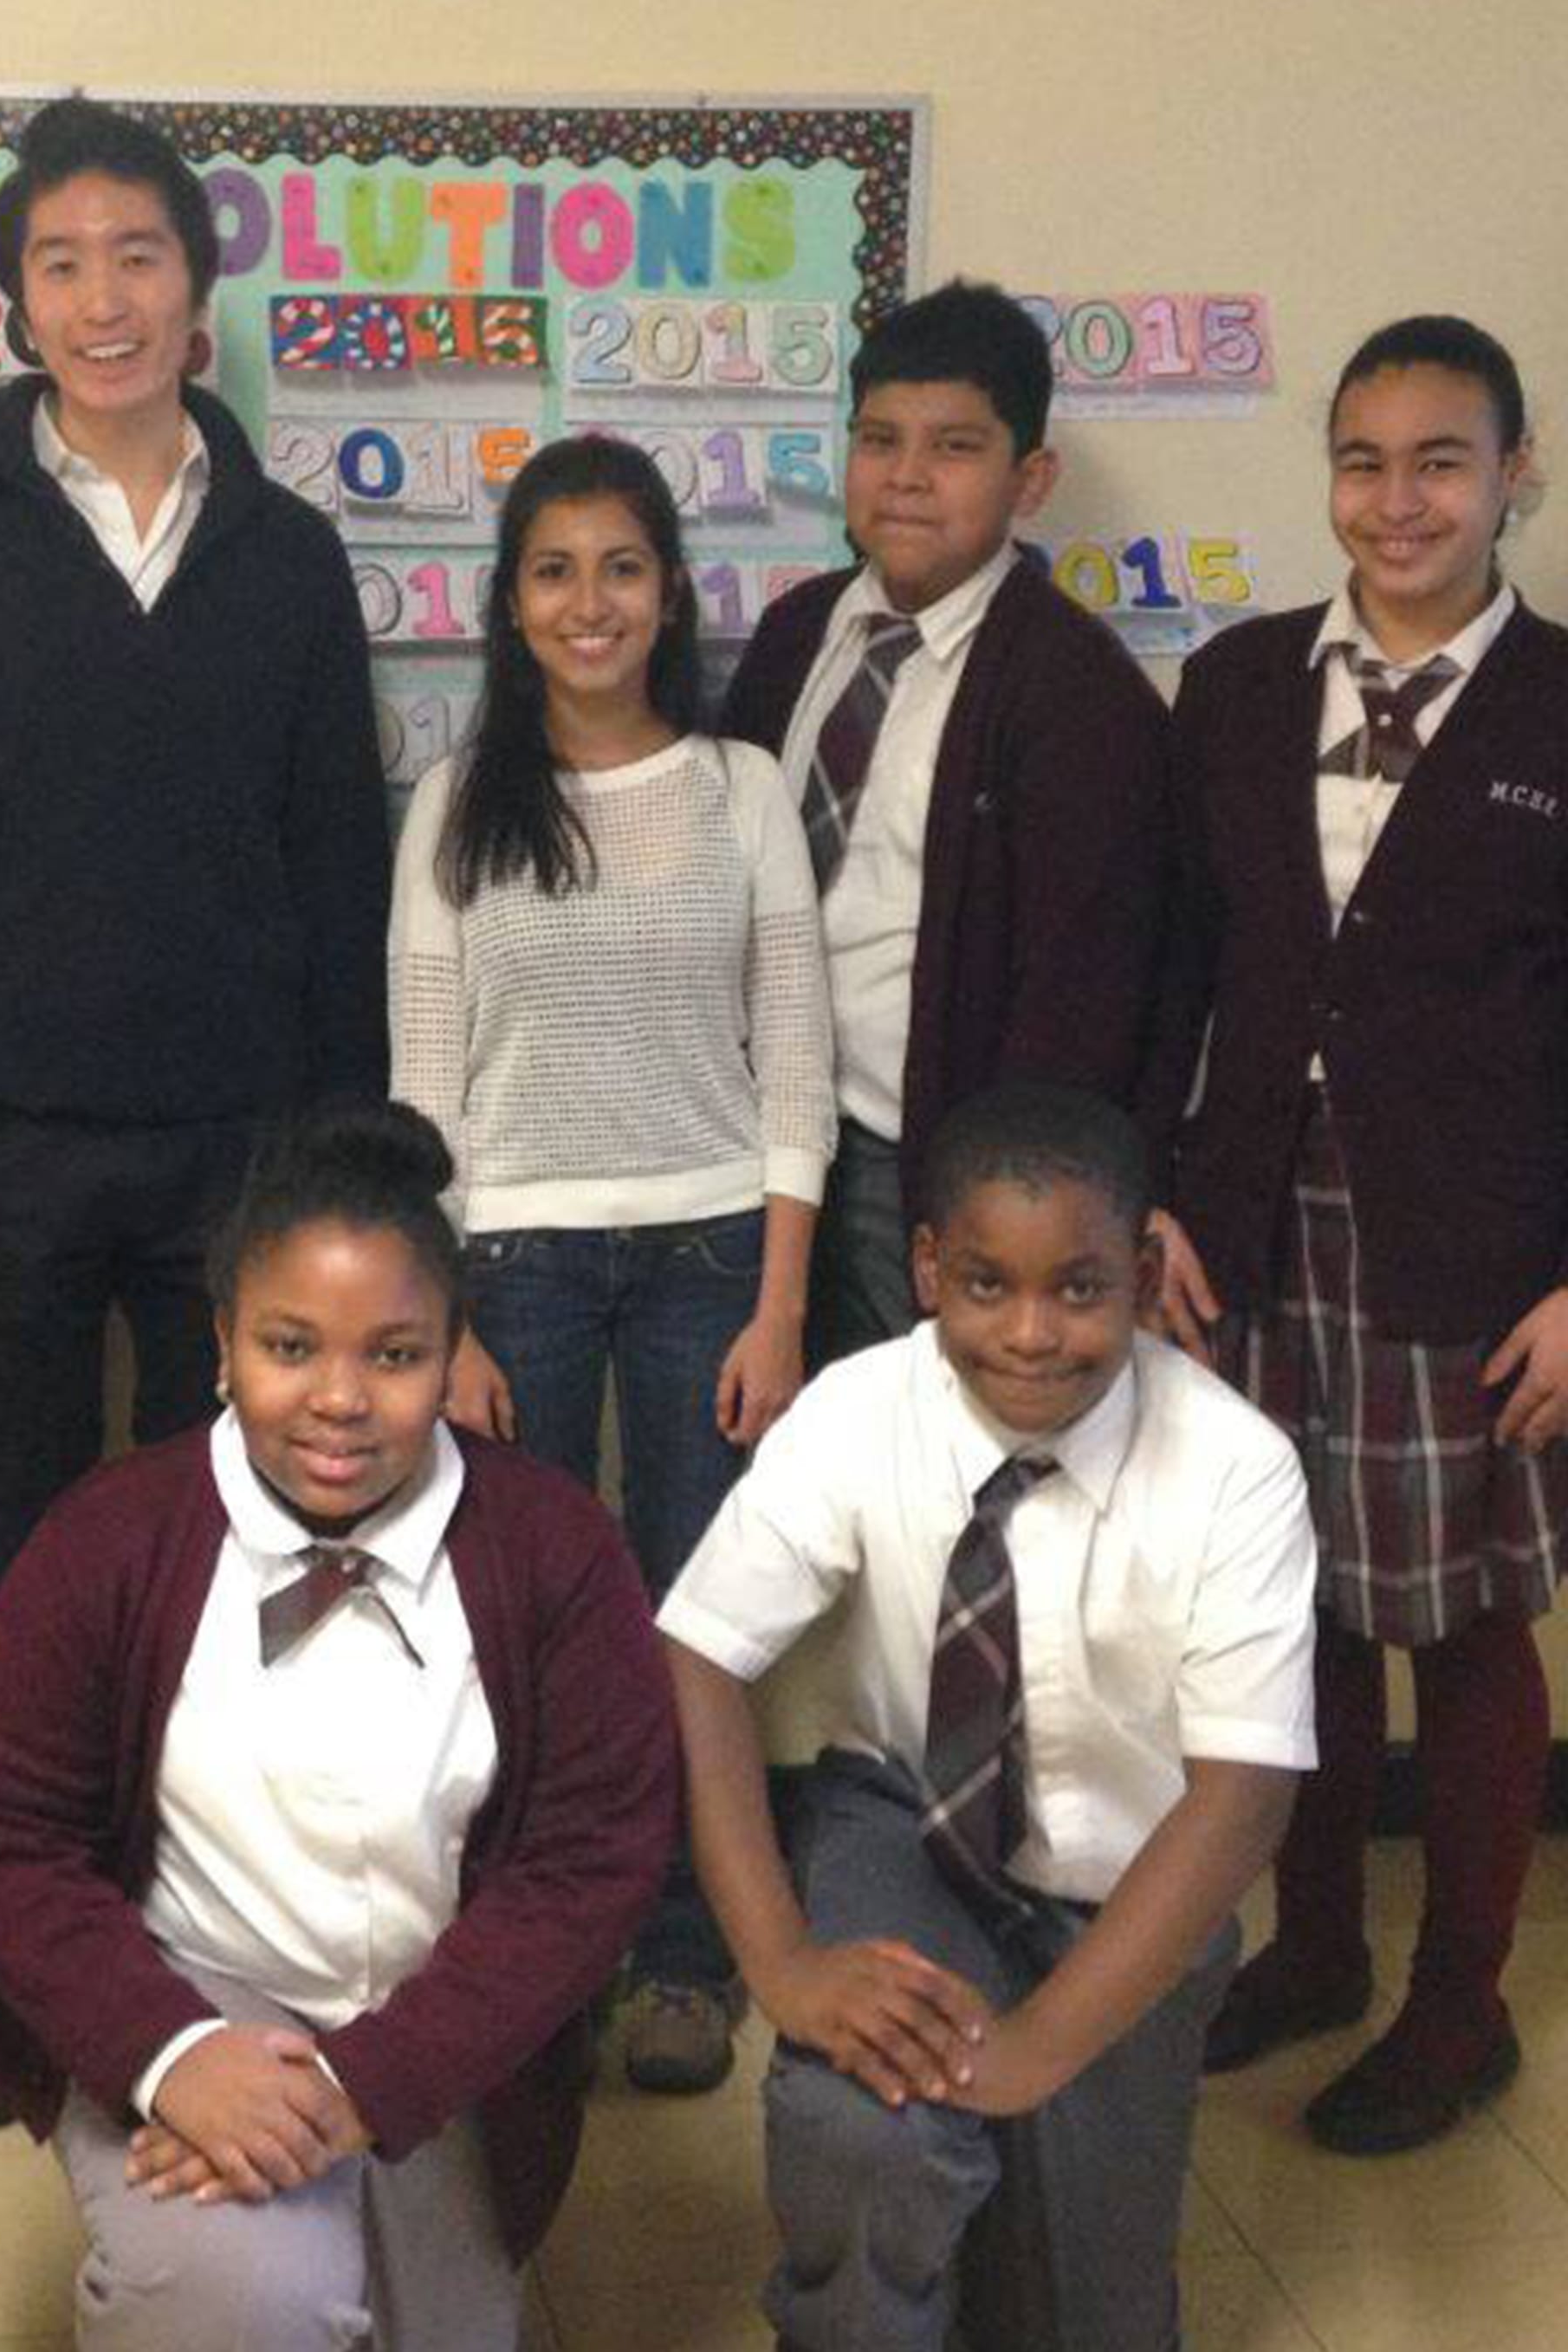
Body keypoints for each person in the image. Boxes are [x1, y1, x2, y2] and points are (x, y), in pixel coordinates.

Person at [0, 95, 390, 2121]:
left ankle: (201, 1938)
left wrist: (347, 1178)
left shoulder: (287, 552)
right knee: (33, 1560)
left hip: (245, 1151)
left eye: (135, 255)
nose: (100, 296)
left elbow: (342, 872)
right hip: (9, 1151)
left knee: (246, 1540)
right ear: (12, 301)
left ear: (200, 284)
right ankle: (23, 1957)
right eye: (56, 262)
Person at [0, 1102, 677, 2350]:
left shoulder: (555, 1546)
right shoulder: (109, 1537)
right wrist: (169, 2055)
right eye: (291, 1344)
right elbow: (5, 1832)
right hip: (192, 1985)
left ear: (453, 1356)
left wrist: (364, 2085)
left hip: (447, 2014)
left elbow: (592, 1858)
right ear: (222, 1343)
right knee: (245, 2303)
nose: (339, 1398)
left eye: (394, 1354)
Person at [666, 1081, 1315, 2351]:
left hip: (1131, 1878)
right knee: (869, 2130)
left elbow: (1242, 1795)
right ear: (925, 1270)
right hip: (911, 1831)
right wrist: (779, 1960)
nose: (1030, 1333)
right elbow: (695, 1654)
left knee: (1078, 2317)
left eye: (1079, 1289)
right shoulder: (860, 1408)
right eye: (984, 1285)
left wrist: (1026, 2053)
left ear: (1139, 1273)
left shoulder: (1237, 1466)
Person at [1144, 315, 1568, 2154]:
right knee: (1280, 1608)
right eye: (1361, 460)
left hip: (1470, 1247)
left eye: (1438, 461)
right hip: (1245, 1225)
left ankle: (1453, 2005)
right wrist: (1151, 1188)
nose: (1394, 501)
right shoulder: (1235, 684)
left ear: (1513, 478)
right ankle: (1307, 1944)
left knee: (1455, 1625)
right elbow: (1181, 966)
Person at [390, 431, 833, 2094]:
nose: (592, 603)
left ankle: (681, 1955)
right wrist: (445, 1325)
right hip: (513, 1269)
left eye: (623, 567)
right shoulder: (455, 804)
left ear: (669, 592)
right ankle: (531, 1960)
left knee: (695, 1628)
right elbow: (422, 1085)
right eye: (555, 570)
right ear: (510, 604)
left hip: (717, 1255)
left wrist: (784, 1303)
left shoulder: (738, 788)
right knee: (523, 1621)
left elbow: (793, 1049)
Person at [720, 279, 1171, 1364]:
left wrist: (985, 1203)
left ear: (1031, 479)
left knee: (919, 1461)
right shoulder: (795, 636)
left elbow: (1082, 993)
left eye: (953, 447)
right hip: (753, 1140)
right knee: (765, 1465)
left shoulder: (1075, 691)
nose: (907, 478)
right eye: (878, 439)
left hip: (912, 1162)